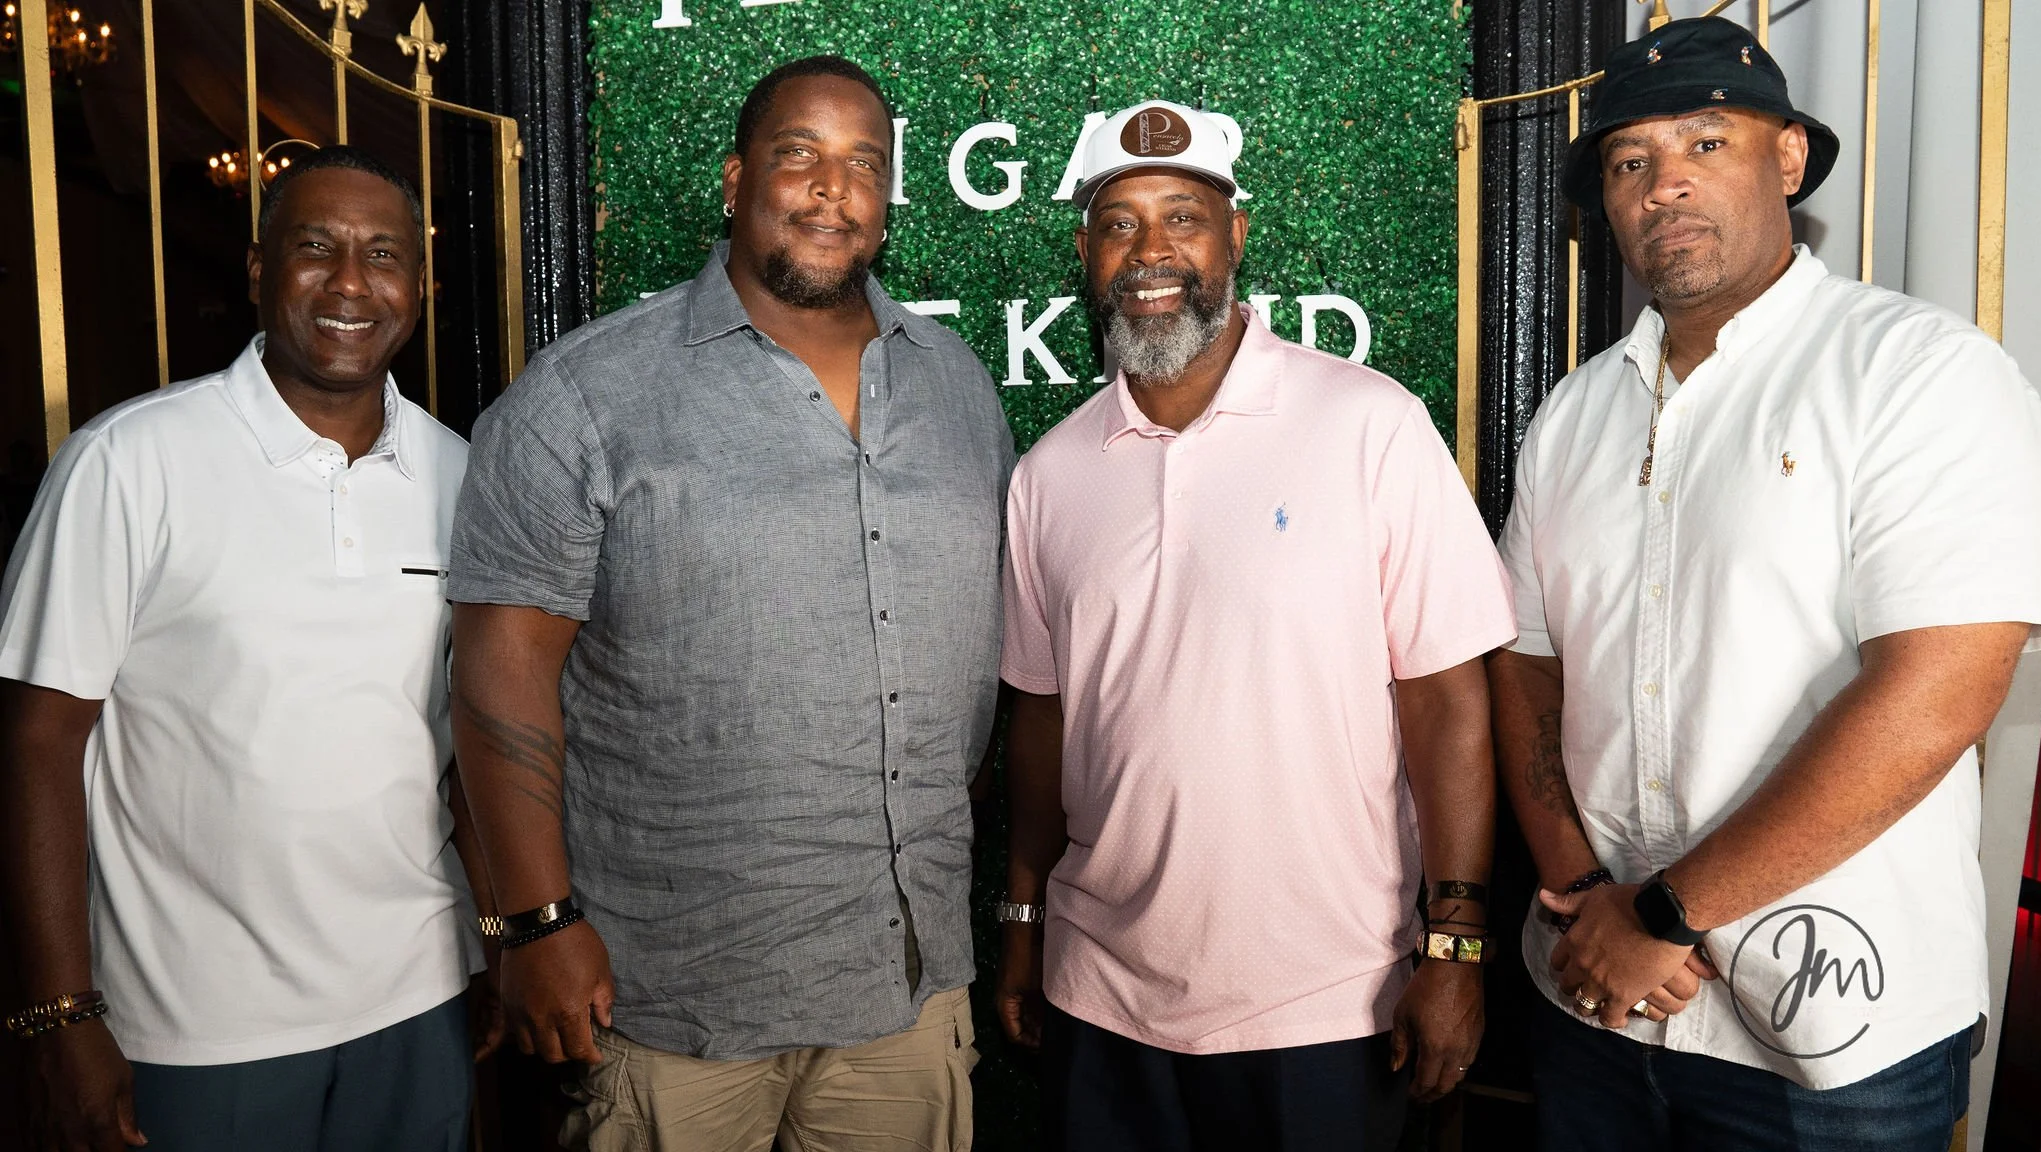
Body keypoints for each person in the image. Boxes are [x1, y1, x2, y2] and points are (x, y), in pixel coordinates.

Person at [1490, 17, 2041, 1151]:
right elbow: (1526, 662)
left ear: (1787, 159)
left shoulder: (1918, 374)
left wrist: (1660, 913)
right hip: (1593, 1007)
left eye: (1706, 142)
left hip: (1833, 1043)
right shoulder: (1573, 414)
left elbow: (1935, 694)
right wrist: (1585, 899)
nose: (1664, 186)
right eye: (1629, 161)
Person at [447, 55, 1011, 1151]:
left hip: (903, 991)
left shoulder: (956, 386)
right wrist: (535, 923)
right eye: (797, 154)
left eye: (863, 164)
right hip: (669, 998)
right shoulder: (587, 392)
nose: (828, 188)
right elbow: (498, 669)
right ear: (734, 176)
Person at [994, 99, 1515, 1151]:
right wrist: (1021, 925)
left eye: (1182, 217)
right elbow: (1043, 720)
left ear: (1234, 237)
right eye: (1117, 222)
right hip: (1101, 995)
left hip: (1326, 1003)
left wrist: (1454, 948)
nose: (1150, 251)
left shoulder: (1368, 423)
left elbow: (1447, 705)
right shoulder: (1047, 475)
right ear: (1086, 255)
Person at [0, 146, 494, 1152]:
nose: (351, 282)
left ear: (422, 285)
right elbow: (40, 745)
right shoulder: (128, 462)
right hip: (194, 1025)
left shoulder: (461, 476)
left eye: (383, 253)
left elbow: (469, 747)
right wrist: (60, 1016)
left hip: (420, 995)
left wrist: (498, 945)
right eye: (316, 248)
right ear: (260, 268)